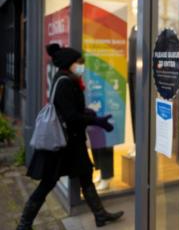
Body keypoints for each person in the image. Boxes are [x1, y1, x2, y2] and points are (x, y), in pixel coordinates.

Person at [17, 44, 124, 229]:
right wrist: (96, 121)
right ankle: (24, 223)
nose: (81, 66)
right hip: (64, 144)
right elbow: (71, 116)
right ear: (70, 63)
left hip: (71, 142)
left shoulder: (65, 78)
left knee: (85, 176)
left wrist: (89, 113)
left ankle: (100, 215)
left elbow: (71, 109)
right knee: (48, 183)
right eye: (79, 63)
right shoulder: (65, 82)